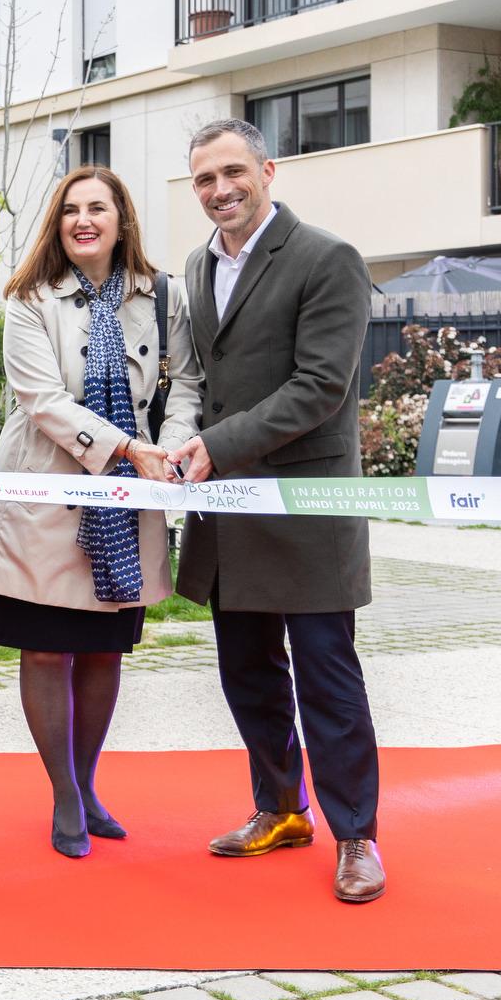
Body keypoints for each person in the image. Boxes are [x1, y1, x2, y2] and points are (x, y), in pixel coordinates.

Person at [169, 116, 386, 904]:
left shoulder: (328, 258)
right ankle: (280, 810)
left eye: (233, 172)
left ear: (268, 168)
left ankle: (356, 836)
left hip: (306, 510)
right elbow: (207, 375)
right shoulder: (198, 266)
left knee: (329, 681)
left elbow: (321, 385)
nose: (220, 190)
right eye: (204, 179)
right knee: (248, 675)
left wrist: (216, 444)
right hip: (227, 512)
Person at [0, 166, 202, 857]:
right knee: (45, 649)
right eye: (70, 209)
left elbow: (185, 382)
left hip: (131, 495)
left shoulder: (163, 298)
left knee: (104, 649)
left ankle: (88, 782)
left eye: (97, 208)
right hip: (45, 492)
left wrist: (169, 448)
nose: (83, 221)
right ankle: (63, 795)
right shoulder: (28, 299)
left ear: (122, 218)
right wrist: (130, 449)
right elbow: (42, 401)